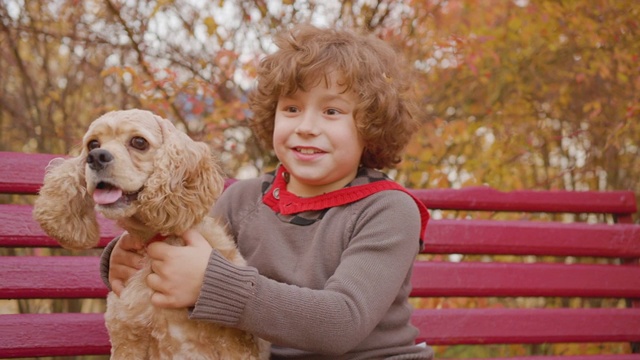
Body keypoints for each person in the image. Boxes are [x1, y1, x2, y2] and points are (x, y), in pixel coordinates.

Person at [101, 23, 434, 359]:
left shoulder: (388, 211)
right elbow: (181, 248)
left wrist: (211, 284)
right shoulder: (241, 200)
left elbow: (341, 322)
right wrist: (129, 257)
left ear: (371, 126)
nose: (306, 127)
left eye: (332, 111)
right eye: (291, 108)